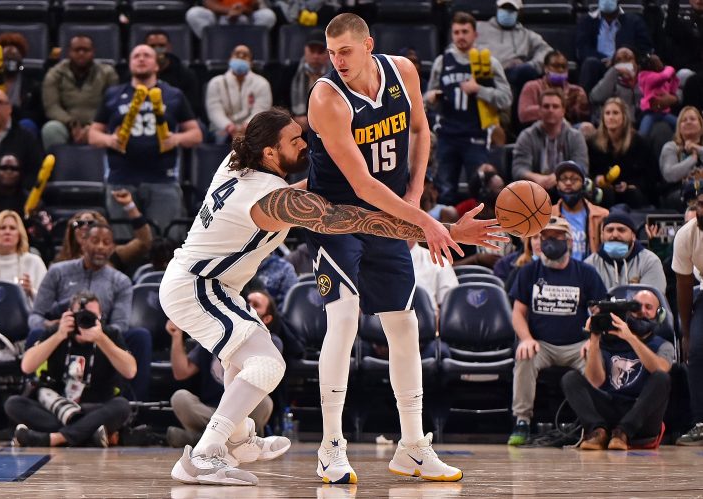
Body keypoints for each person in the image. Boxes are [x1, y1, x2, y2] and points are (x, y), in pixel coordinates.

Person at [159, 108, 504, 485]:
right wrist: (444, 229)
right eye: (294, 140)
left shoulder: (236, 163)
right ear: (269, 153)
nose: (304, 144)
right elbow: (356, 220)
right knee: (267, 364)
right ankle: (203, 455)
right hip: (198, 287)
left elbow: (304, 188)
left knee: (242, 360)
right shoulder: (270, 200)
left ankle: (238, 439)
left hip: (207, 283)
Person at [306, 14, 508, 483]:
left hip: (390, 213)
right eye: (332, 53)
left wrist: (415, 198)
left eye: (345, 51)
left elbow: (420, 130)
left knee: (404, 324)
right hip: (336, 217)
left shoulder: (403, 71)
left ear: (368, 45)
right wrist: (425, 223)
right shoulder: (326, 98)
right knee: (344, 318)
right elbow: (361, 184)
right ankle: (330, 446)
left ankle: (413, 446)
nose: (337, 61)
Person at [507, 216, 607, 445]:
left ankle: (595, 424)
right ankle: (522, 421)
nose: (550, 241)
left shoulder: (586, 272)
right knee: (524, 355)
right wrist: (526, 339)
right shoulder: (529, 271)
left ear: (569, 241)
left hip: (577, 344)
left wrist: (593, 341)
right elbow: (518, 313)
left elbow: (600, 312)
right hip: (542, 344)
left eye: (556, 237)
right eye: (545, 237)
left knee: (596, 357)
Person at [29, 222, 152, 401]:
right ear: (83, 243)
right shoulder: (57, 272)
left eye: (106, 242)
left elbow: (120, 324)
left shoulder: (121, 281)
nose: (101, 246)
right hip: (63, 332)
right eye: (95, 241)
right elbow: (35, 315)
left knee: (140, 336)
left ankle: (134, 403)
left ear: (112, 248)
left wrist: (97, 332)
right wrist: (51, 326)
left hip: (101, 333)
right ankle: (33, 392)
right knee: (36, 333)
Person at [89, 44, 202, 238]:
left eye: (147, 55)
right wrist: (110, 140)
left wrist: (175, 139)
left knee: (165, 241)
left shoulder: (173, 94)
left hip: (162, 179)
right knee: (123, 243)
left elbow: (196, 134)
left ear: (156, 65)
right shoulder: (113, 94)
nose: (141, 59)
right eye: (136, 56)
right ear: (130, 64)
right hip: (121, 179)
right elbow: (93, 134)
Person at [6, 291, 135, 447]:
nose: (85, 320)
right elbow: (27, 366)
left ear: (100, 317)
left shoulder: (110, 334)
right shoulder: (57, 332)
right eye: (81, 315)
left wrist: (101, 339)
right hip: (59, 408)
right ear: (69, 314)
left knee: (122, 406)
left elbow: (130, 371)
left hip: (96, 407)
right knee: (14, 404)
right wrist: (59, 335)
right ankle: (88, 435)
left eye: (92, 316)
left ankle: (54, 438)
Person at [562, 290, 672, 450]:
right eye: (637, 307)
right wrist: (594, 339)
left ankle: (624, 432)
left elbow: (660, 369)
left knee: (662, 378)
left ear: (659, 314)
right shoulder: (608, 341)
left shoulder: (663, 345)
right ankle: (598, 431)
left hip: (642, 417)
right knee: (570, 378)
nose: (642, 311)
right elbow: (595, 381)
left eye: (649, 307)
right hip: (611, 408)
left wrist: (630, 338)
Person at [426, 11, 512, 205]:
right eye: (456, 32)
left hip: (476, 136)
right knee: (444, 192)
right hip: (447, 136)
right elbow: (427, 97)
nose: (461, 36)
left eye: (465, 32)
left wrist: (479, 90)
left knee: (481, 193)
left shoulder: (489, 62)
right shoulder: (442, 61)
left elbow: (506, 98)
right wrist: (431, 97)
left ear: (475, 34)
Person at [165, 315, 279, 447]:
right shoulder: (214, 338)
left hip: (242, 412)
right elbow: (181, 372)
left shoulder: (270, 342)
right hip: (212, 412)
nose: (249, 308)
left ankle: (200, 440)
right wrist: (176, 336)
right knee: (180, 398)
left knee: (264, 402)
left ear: (267, 319)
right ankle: (236, 443)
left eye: (256, 306)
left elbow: (264, 373)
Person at [41, 35, 119, 151]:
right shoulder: (55, 73)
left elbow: (113, 105)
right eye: (77, 50)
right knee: (51, 129)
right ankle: (58, 162)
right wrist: (71, 122)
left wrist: (93, 127)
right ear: (69, 52)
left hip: (99, 125)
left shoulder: (107, 73)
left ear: (93, 52)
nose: (81, 53)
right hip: (66, 125)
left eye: (86, 50)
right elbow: (52, 107)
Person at [52, 191, 153, 274]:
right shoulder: (60, 260)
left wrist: (130, 206)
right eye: (79, 224)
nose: (84, 227)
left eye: (91, 223)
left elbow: (143, 242)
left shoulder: (114, 255)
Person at [672, 186, 703, 444]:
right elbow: (683, 284)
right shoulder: (687, 235)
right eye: (701, 204)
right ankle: (700, 422)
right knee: (697, 350)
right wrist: (686, 331)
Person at [512, 89, 589, 192]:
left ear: (563, 111)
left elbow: (581, 166)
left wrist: (560, 176)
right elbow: (518, 169)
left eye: (555, 106)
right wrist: (536, 178)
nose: (550, 110)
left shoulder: (576, 137)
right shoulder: (527, 136)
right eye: (546, 106)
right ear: (539, 110)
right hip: (535, 189)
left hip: (568, 188)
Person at [587, 97, 657, 209]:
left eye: (615, 113)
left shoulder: (639, 142)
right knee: (604, 194)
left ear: (624, 117)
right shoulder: (592, 143)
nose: (611, 117)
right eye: (607, 113)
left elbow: (650, 175)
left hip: (630, 192)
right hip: (604, 192)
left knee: (633, 195)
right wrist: (596, 179)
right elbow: (588, 172)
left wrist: (630, 184)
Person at [476, 0, 552, 95]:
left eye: (511, 9)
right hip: (484, 74)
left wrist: (532, 64)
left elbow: (547, 51)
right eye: (504, 8)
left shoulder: (526, 35)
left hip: (512, 78)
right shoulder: (479, 28)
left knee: (526, 71)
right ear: (497, 8)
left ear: (519, 12)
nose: (507, 12)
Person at [576, 0, 653, 92]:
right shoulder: (586, 21)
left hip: (625, 64)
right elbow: (582, 49)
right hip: (599, 64)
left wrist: (619, 60)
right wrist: (605, 60)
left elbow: (644, 49)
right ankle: (583, 98)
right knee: (590, 63)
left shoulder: (634, 21)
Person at [205, 45, 272, 144]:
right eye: (237, 54)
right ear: (230, 60)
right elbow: (214, 111)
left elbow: (261, 110)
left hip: (251, 129)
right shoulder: (215, 83)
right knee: (219, 136)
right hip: (223, 129)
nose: (240, 56)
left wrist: (246, 127)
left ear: (251, 63)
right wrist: (229, 127)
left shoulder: (262, 83)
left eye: (245, 55)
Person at [583, 212, 666, 291]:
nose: (615, 235)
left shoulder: (650, 261)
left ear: (633, 236)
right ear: (602, 236)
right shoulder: (590, 264)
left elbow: (652, 298)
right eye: (610, 230)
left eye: (621, 230)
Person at [550, 161, 609, 261]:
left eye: (574, 179)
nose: (568, 183)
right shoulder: (547, 215)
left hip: (591, 268)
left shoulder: (602, 215)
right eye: (563, 179)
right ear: (557, 185)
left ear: (584, 184)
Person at [518, 51, 590, 126]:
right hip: (540, 128)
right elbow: (523, 114)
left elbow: (584, 118)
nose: (561, 70)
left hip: (569, 129)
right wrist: (556, 106)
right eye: (556, 66)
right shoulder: (532, 86)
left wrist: (582, 106)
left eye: (564, 67)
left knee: (587, 127)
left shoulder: (576, 90)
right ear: (546, 68)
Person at [144, 30, 199, 117]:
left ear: (169, 47)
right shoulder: (135, 74)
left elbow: (192, 109)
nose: (157, 50)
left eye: (161, 46)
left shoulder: (185, 74)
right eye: (152, 46)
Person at [659, 106, 703, 209]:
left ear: (701, 125)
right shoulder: (671, 147)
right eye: (684, 120)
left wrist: (697, 148)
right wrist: (692, 159)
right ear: (679, 127)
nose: (688, 122)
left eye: (692, 119)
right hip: (678, 193)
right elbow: (670, 175)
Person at [589, 46, 642, 126]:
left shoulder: (644, 81)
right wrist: (614, 71)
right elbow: (595, 97)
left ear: (636, 63)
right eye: (619, 60)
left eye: (628, 58)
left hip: (637, 125)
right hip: (614, 125)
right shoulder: (611, 81)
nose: (624, 63)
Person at [290, 29, 331, 133]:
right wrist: (293, 118)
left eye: (320, 51)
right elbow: (280, 102)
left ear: (328, 52)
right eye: (312, 51)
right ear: (305, 50)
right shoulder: (291, 71)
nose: (316, 56)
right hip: (298, 125)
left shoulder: (337, 73)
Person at [185, 0, 276, 40]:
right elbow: (209, 3)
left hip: (246, 19)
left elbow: (254, 7)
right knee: (194, 13)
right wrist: (230, 11)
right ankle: (213, 44)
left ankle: (249, 49)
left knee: (268, 15)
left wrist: (242, 10)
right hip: (218, 18)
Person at [637, 54, 679, 138]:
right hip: (650, 112)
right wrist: (670, 68)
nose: (660, 63)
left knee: (679, 125)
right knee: (643, 134)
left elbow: (673, 89)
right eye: (657, 61)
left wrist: (674, 76)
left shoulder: (662, 80)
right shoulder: (645, 76)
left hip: (663, 112)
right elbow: (665, 76)